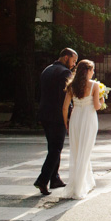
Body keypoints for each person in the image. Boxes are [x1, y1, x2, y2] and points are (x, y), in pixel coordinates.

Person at [34, 48, 78, 196]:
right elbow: (64, 97)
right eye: (73, 61)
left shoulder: (47, 70)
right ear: (66, 58)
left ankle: (55, 178)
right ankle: (43, 179)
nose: (73, 64)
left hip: (44, 113)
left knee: (52, 146)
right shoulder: (65, 73)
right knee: (56, 149)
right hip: (57, 115)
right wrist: (68, 115)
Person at [62, 59, 101, 200]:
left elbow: (65, 107)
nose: (93, 72)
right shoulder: (94, 86)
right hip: (89, 119)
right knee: (86, 151)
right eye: (92, 70)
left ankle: (84, 181)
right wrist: (102, 100)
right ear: (88, 71)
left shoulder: (72, 86)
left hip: (75, 118)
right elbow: (97, 106)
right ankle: (79, 187)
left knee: (77, 151)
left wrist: (66, 122)